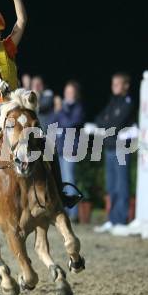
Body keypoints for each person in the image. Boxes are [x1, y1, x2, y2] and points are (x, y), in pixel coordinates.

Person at [0, 0, 82, 228]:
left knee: (45, 144)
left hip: (16, 107)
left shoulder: (8, 47)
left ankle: (60, 193)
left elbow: (22, 21)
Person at [94, 72, 135, 233]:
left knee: (122, 185)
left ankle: (121, 220)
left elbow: (116, 123)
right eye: (113, 84)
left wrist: (106, 123)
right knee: (111, 186)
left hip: (122, 148)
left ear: (126, 85)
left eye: (118, 84)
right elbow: (99, 118)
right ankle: (112, 219)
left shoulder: (128, 102)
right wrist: (106, 123)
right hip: (110, 147)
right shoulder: (113, 101)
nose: (114, 87)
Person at [53, 80, 85, 222]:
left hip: (71, 149)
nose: (68, 94)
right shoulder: (64, 108)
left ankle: (73, 214)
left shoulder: (78, 107)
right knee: (62, 181)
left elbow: (69, 124)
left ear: (76, 94)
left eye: (71, 92)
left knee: (70, 180)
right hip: (60, 148)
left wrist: (60, 110)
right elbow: (52, 122)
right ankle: (64, 211)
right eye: (66, 92)